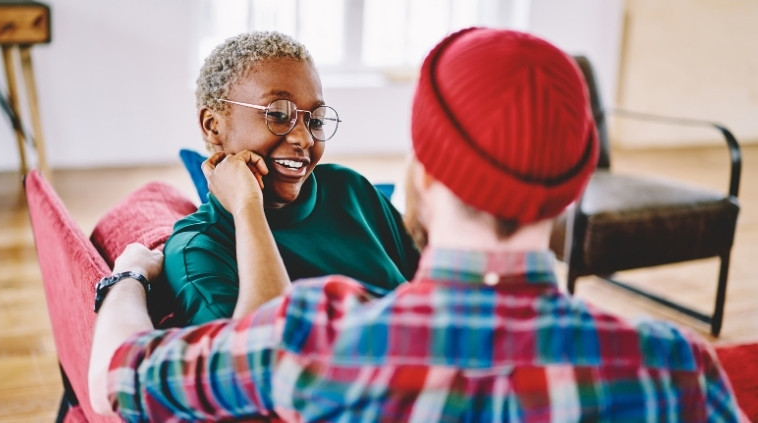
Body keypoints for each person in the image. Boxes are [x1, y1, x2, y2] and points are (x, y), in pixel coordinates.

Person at [89, 28, 742, 421]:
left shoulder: (303, 341)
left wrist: (124, 277)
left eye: (314, 118)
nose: (304, 137)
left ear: (422, 179)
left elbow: (118, 377)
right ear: (573, 191)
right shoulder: (677, 368)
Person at [163, 31, 420, 324]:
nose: (304, 138)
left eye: (316, 120)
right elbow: (259, 351)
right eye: (278, 115)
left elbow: (434, 293)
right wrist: (248, 208)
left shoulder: (350, 190)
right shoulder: (199, 247)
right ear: (213, 126)